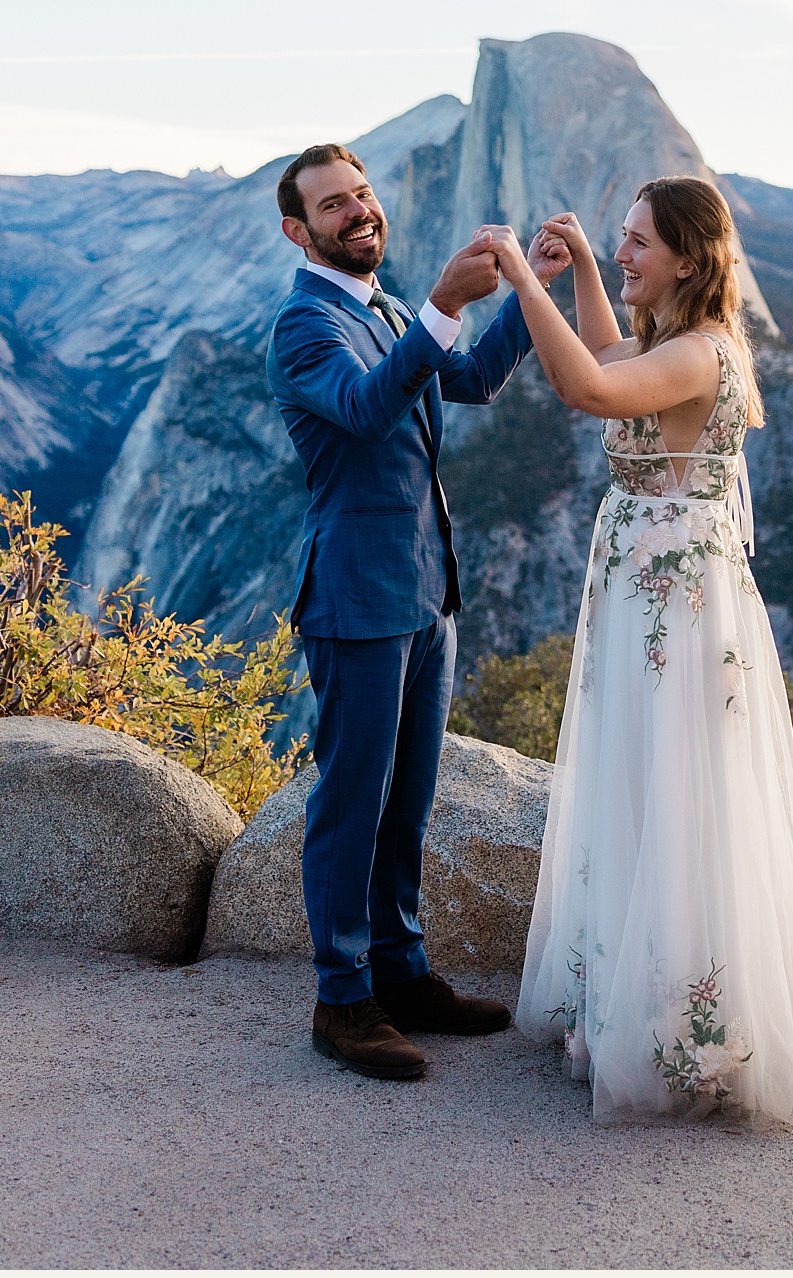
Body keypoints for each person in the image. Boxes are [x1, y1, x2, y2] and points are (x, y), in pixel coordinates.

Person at [481, 176, 793, 1132]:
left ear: (689, 257)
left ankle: (680, 1036)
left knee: (676, 795)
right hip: (652, 603)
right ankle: (645, 1011)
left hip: (675, 621)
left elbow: (590, 387)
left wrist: (523, 275)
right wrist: (582, 283)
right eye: (622, 238)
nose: (626, 253)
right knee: (647, 790)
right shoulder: (678, 344)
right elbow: (613, 355)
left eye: (640, 243)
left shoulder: (699, 354)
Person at [265, 141, 566, 1081]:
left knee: (409, 801)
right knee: (352, 803)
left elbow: (467, 378)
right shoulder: (303, 329)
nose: (359, 213)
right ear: (297, 230)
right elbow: (362, 408)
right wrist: (443, 300)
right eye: (333, 206)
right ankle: (342, 1000)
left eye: (362, 195)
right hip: (357, 598)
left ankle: (401, 971)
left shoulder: (385, 307)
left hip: (427, 594)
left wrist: (529, 290)